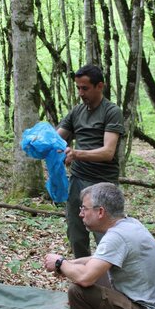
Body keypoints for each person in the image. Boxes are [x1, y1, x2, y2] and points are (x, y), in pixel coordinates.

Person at [57, 64, 125, 259]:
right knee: (76, 233)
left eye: (85, 88)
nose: (80, 93)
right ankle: (84, 280)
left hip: (102, 184)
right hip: (77, 180)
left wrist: (76, 154)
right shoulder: (76, 112)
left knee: (105, 236)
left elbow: (107, 152)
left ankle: (111, 282)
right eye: (78, 88)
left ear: (99, 86)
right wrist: (42, 142)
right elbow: (58, 138)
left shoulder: (111, 112)